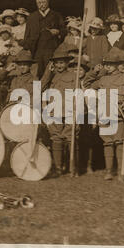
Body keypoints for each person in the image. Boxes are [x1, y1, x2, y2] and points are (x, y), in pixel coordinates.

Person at [83, 47, 124, 181]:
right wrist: (95, 71)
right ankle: (109, 171)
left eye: (111, 64)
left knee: (120, 142)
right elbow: (86, 84)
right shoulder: (102, 79)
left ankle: (121, 171)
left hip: (119, 115)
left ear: (117, 65)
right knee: (108, 143)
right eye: (106, 64)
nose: (108, 66)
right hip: (105, 114)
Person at [41, 48, 79, 177]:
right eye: (56, 63)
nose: (59, 65)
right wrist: (48, 73)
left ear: (67, 63)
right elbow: (40, 88)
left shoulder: (73, 76)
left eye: (62, 63)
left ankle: (72, 167)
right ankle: (58, 168)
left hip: (69, 111)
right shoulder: (51, 76)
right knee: (56, 138)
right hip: (54, 111)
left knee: (70, 138)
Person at [23, 0, 66, 78]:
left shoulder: (56, 15)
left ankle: (50, 91)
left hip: (52, 51)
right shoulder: (32, 17)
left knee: (50, 74)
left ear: (48, 2)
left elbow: (64, 31)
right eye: (39, 3)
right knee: (36, 76)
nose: (41, 5)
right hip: (36, 52)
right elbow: (26, 36)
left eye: (43, 2)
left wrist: (58, 32)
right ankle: (37, 92)